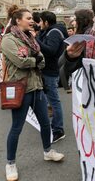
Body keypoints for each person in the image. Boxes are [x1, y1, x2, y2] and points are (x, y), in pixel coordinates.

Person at [1, 5, 64, 181]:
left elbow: (42, 61)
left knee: (45, 123)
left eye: (32, 18)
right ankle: (10, 163)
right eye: (28, 18)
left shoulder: (31, 38)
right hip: (21, 88)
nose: (32, 21)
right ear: (18, 20)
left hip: (37, 86)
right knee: (17, 127)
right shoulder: (8, 40)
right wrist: (34, 60)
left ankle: (47, 151)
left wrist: (34, 60)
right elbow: (20, 62)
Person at [36, 11, 67, 143]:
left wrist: (36, 40)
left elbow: (50, 51)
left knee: (54, 101)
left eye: (40, 21)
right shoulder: (50, 31)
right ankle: (52, 125)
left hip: (51, 70)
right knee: (50, 100)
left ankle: (58, 130)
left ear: (46, 22)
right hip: (47, 69)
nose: (39, 24)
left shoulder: (54, 32)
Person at [58, 9, 94, 93]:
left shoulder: (81, 38)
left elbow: (62, 64)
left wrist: (68, 56)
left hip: (84, 81)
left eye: (75, 19)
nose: (74, 22)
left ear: (81, 21)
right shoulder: (91, 34)